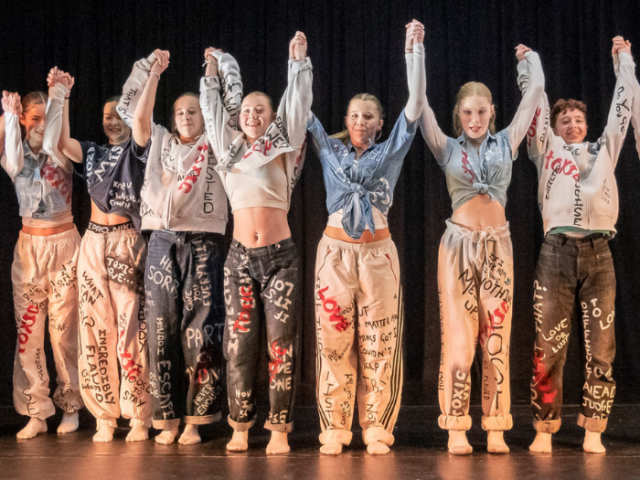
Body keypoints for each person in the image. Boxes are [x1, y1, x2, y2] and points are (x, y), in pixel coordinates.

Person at [418, 43, 544, 454]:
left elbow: (535, 93)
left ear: (491, 112)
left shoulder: (506, 141)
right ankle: (456, 426)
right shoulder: (446, 146)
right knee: (458, 339)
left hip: (498, 249)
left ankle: (495, 426)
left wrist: (529, 61)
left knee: (496, 339)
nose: (474, 119)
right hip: (457, 247)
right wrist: (416, 50)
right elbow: (418, 102)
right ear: (459, 114)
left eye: (482, 112)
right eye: (468, 112)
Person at [306, 20, 425, 455]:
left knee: (379, 343)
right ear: (346, 121)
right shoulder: (329, 148)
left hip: (377, 254)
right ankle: (335, 427)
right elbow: (301, 110)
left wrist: (414, 50)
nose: (360, 121)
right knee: (334, 341)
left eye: (368, 116)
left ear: (378, 123)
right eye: (354, 115)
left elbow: (414, 104)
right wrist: (298, 64)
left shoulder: (389, 149)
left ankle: (376, 425)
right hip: (334, 253)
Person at [524, 36, 637, 454]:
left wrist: (622, 59)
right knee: (548, 346)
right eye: (565, 120)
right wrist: (529, 67)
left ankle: (594, 428)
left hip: (599, 254)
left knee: (601, 346)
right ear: (554, 128)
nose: (572, 124)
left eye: (577, 120)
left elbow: (622, 111)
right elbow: (536, 103)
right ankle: (544, 427)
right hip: (556, 253)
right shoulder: (546, 151)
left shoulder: (603, 149)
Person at [199, 32, 312, 454]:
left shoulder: (282, 148)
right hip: (240, 259)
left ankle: (279, 427)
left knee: (281, 346)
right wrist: (211, 71)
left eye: (260, 109)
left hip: (280, 259)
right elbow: (212, 113)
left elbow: (297, 108)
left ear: (270, 117)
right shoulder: (228, 152)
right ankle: (241, 425)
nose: (251, 114)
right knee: (239, 348)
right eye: (246, 109)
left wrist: (298, 63)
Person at [117, 49, 228, 445]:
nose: (185, 116)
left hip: (202, 240)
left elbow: (218, 109)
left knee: (200, 330)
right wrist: (155, 75)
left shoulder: (216, 144)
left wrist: (212, 69)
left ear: (203, 117)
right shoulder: (161, 140)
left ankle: (197, 419)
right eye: (180, 111)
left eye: (193, 111)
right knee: (161, 328)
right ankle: (166, 418)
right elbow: (139, 119)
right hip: (161, 240)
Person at [45, 67, 152, 443]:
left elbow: (140, 123)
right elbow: (59, 142)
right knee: (94, 328)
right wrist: (61, 97)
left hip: (126, 240)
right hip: (93, 240)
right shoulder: (91, 152)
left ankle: (139, 414)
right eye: (106, 116)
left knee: (131, 329)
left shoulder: (139, 149)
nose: (111, 121)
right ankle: (104, 415)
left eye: (118, 114)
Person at [0, 83, 83, 439]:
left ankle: (71, 404)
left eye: (44, 119)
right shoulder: (13, 156)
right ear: (23, 119)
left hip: (64, 243)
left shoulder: (60, 150)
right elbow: (13, 156)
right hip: (29, 247)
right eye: (33, 119)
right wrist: (7, 116)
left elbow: (51, 141)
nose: (39, 125)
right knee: (29, 332)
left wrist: (57, 97)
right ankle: (36, 410)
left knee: (64, 332)